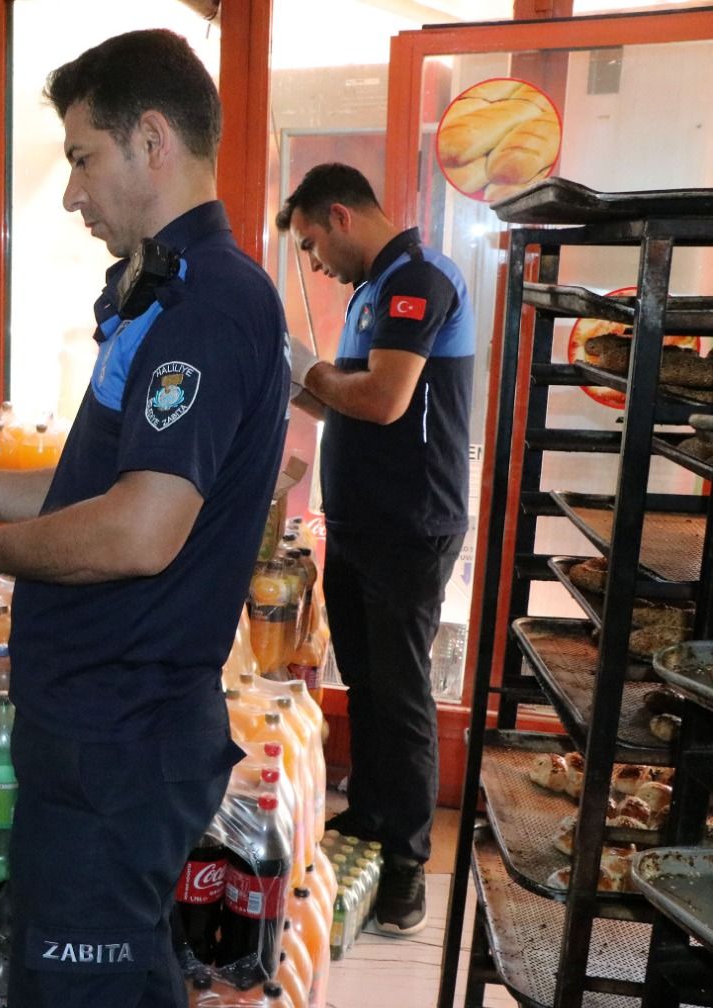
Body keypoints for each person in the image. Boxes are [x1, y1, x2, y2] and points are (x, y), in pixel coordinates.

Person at [0, 29, 287, 1008]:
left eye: (82, 158)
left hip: (122, 738)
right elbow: (97, 481)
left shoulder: (209, 308)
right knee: (109, 972)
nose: (70, 194)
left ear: (151, 141)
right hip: (100, 728)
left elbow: (137, 530)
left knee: (86, 987)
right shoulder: (161, 296)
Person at [277, 162, 473, 936]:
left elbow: (385, 400)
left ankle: (407, 863)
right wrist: (289, 376)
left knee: (400, 693)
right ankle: (368, 814)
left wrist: (312, 368)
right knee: (362, 681)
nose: (315, 262)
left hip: (409, 525)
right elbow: (344, 406)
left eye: (312, 243)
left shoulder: (419, 280)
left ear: (341, 215)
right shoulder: (369, 294)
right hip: (360, 522)